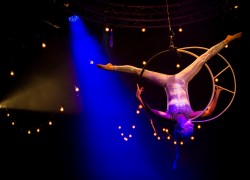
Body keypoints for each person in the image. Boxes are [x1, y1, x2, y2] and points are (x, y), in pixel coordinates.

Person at [96, 32, 242, 141]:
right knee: (202, 59)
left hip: (166, 82)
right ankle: (226, 40)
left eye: (189, 126)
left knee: (138, 71)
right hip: (182, 79)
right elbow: (209, 112)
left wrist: (138, 96)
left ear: (181, 127)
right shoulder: (190, 114)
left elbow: (149, 110)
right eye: (191, 126)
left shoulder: (169, 116)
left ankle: (112, 67)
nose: (191, 124)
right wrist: (216, 94)